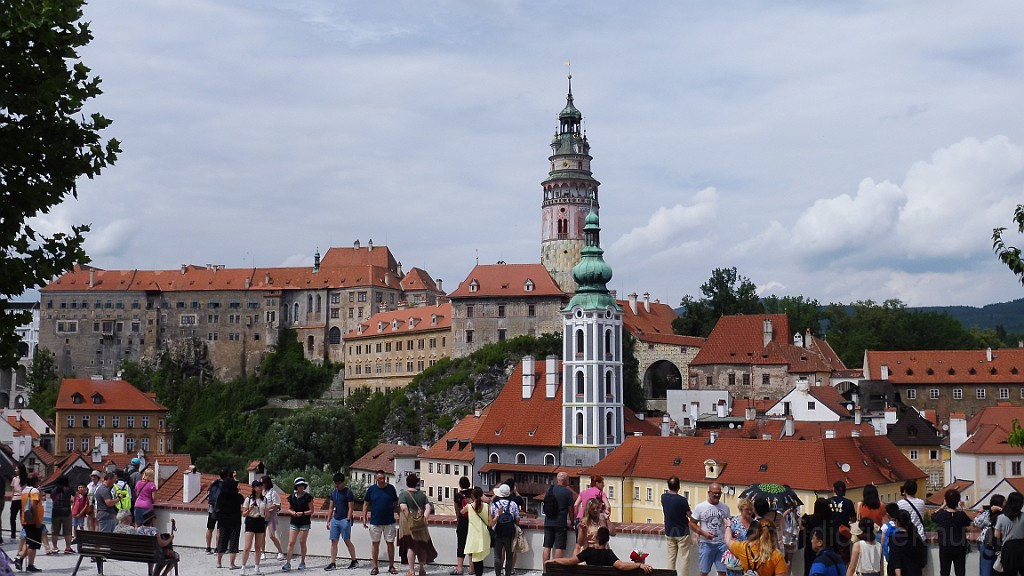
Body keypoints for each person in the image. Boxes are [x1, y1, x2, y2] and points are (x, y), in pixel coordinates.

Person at [546, 526, 654, 573]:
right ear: (607, 540)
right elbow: (620, 566)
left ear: (596, 538)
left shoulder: (588, 552)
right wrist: (639, 565)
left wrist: (554, 560)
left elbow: (570, 561)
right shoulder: (608, 554)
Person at [399, 473, 437, 576]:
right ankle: (421, 568)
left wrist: (410, 519)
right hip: (421, 523)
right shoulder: (422, 495)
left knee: (410, 546)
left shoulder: (404, 495)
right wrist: (424, 518)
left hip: (408, 525)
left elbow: (403, 508)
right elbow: (428, 507)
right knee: (421, 546)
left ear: (407, 482)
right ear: (416, 483)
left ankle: (411, 571)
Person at [363, 470, 399, 576]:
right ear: (376, 479)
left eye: (383, 478)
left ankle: (391, 566)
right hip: (375, 521)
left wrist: (400, 516)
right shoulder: (371, 489)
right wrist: (364, 517)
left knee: (390, 543)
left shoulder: (391, 489)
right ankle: (375, 567)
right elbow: (365, 504)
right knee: (375, 544)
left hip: (389, 521)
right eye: (380, 479)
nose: (382, 480)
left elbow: (395, 504)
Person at [693, 482, 731, 576]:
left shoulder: (725, 507)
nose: (717, 495)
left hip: (721, 544)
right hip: (706, 544)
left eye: (718, 493)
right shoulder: (700, 507)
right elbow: (692, 523)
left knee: (722, 572)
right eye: (714, 493)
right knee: (704, 572)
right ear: (709, 493)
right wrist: (703, 533)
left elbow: (729, 524)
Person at [663, 476, 697, 576]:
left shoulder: (663, 497)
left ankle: (669, 574)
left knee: (671, 558)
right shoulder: (682, 500)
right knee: (684, 558)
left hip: (669, 531)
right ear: (679, 486)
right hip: (682, 532)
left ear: (668, 486)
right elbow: (690, 515)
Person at [931, 488, 970, 576]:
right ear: (958, 501)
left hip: (945, 547)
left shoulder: (941, 515)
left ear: (946, 500)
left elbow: (933, 516)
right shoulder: (961, 515)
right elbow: (968, 521)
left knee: (944, 572)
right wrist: (963, 507)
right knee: (960, 571)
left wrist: (943, 505)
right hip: (959, 546)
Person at [326, 472, 358, 571]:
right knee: (333, 541)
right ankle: (332, 562)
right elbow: (331, 507)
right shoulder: (334, 493)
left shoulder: (348, 492)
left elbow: (351, 507)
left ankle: (354, 560)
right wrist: (328, 520)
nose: (337, 485)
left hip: (344, 519)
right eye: (335, 483)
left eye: (338, 483)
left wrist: (348, 520)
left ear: (342, 482)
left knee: (346, 540)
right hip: (335, 519)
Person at [282, 477, 314, 572]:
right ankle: (288, 563)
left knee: (302, 542)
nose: (301, 487)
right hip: (294, 521)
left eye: (302, 485)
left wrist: (303, 513)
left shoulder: (308, 497)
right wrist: (292, 513)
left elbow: (312, 510)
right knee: (291, 542)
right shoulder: (292, 497)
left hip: (304, 521)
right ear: (296, 486)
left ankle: (302, 562)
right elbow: (288, 508)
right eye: (299, 485)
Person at [543, 472, 575, 566]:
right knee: (559, 547)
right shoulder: (567, 493)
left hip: (548, 521)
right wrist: (572, 522)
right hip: (560, 522)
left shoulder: (550, 490)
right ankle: (556, 570)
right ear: (565, 480)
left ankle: (545, 570)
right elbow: (571, 510)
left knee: (547, 547)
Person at [490, 483, 520, 576]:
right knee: (509, 556)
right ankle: (508, 573)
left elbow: (491, 521)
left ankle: (498, 574)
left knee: (497, 557)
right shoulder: (513, 504)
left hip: (498, 533)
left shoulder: (494, 505)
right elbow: (517, 519)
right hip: (509, 533)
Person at [241, 480, 269, 576]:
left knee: (258, 546)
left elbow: (267, 514)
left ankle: (257, 567)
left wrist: (266, 512)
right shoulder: (248, 499)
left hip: (260, 521)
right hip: (250, 520)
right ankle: (243, 567)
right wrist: (249, 509)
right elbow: (244, 514)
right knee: (247, 546)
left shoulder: (264, 499)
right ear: (253, 488)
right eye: (258, 486)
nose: (260, 488)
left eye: (261, 486)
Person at [461, 487, 491, 576]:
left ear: (472, 496)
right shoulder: (486, 506)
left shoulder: (469, 506)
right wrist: (497, 516)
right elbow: (491, 523)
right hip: (483, 535)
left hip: (473, 536)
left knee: (476, 558)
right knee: (480, 558)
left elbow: (462, 512)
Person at [887, 510, 926, 576]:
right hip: (915, 571)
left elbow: (896, 559)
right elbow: (921, 557)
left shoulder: (894, 538)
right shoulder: (915, 537)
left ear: (897, 521)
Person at [217, 478, 244, 570]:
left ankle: (219, 562)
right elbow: (242, 502)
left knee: (222, 541)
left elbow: (218, 507)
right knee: (233, 542)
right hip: (235, 521)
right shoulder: (237, 496)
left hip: (223, 521)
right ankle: (232, 564)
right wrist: (239, 491)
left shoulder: (221, 496)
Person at [995, 491, 1024, 576]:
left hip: (1008, 548)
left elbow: (997, 535)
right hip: (1022, 546)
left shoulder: (1001, 517)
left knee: (1008, 572)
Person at [976, 494, 1005, 576]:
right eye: (1004, 502)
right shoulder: (990, 514)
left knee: (993, 570)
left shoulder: (1002, 514)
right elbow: (977, 522)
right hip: (989, 544)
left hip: (995, 545)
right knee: (987, 570)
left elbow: (977, 522)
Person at [801, 498, 832, 576]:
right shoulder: (830, 519)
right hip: (826, 547)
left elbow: (802, 527)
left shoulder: (810, 519)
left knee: (809, 568)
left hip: (811, 547)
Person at [828, 481, 856, 563]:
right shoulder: (849, 502)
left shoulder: (827, 502)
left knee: (831, 557)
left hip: (830, 533)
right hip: (843, 533)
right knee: (844, 558)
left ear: (833, 489)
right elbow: (853, 519)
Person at [206, 468, 230, 555]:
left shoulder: (214, 483)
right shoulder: (226, 485)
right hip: (221, 509)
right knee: (219, 530)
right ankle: (217, 548)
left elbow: (208, 494)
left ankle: (208, 548)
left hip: (212, 508)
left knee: (210, 528)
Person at [49, 475, 74, 553]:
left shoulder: (53, 489)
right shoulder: (68, 489)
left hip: (55, 512)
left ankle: (55, 547)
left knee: (55, 531)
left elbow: (51, 498)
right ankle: (68, 548)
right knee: (67, 531)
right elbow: (74, 494)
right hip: (66, 512)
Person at [261, 475, 285, 561]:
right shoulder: (262, 492)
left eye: (262, 483)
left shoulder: (273, 493)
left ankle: (280, 552)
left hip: (271, 516)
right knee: (262, 535)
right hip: (262, 516)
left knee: (271, 535)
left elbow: (276, 504)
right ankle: (262, 552)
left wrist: (267, 508)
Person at [454, 477, 474, 575]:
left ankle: (460, 568)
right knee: (471, 546)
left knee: (461, 545)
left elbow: (457, 511)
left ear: (460, 484)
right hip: (472, 523)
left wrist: (458, 520)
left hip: (462, 522)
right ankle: (471, 569)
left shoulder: (457, 496)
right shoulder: (473, 493)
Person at [9, 463, 26, 540]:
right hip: (23, 499)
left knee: (13, 517)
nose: (15, 470)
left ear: (20, 469)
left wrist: (12, 498)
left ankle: (13, 534)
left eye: (16, 468)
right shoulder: (25, 479)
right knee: (22, 517)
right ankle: (24, 532)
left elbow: (13, 490)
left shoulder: (16, 479)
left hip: (16, 499)